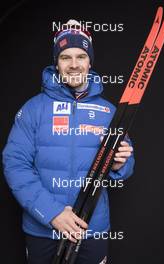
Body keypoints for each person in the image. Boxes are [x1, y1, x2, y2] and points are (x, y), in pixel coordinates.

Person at [2, 19, 135, 264]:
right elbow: (15, 165)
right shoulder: (33, 109)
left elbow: (127, 164)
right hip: (42, 228)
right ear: (56, 63)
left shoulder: (108, 112)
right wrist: (51, 213)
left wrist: (120, 165)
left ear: (90, 62)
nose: (74, 65)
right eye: (65, 57)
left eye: (81, 56)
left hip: (91, 227)